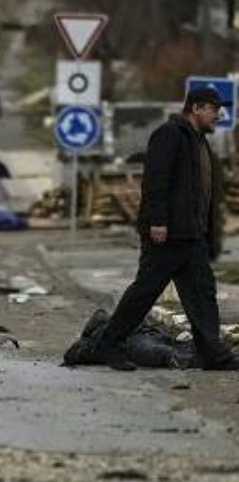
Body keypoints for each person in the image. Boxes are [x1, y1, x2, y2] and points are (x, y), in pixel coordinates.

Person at [88, 84, 236, 371]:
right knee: (145, 291)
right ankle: (108, 343)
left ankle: (212, 353)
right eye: (214, 109)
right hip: (168, 234)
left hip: (190, 235)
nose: (218, 115)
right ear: (196, 108)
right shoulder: (169, 135)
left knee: (202, 292)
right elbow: (156, 181)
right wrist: (158, 221)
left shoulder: (197, 140)